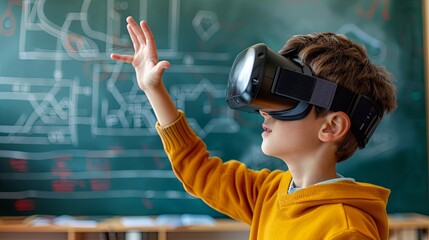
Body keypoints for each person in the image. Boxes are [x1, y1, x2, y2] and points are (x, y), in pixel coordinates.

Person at [111, 16, 396, 240]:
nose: (263, 110)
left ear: (332, 127)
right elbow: (200, 172)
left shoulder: (346, 230)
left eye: (286, 101)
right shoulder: (271, 193)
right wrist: (153, 89)